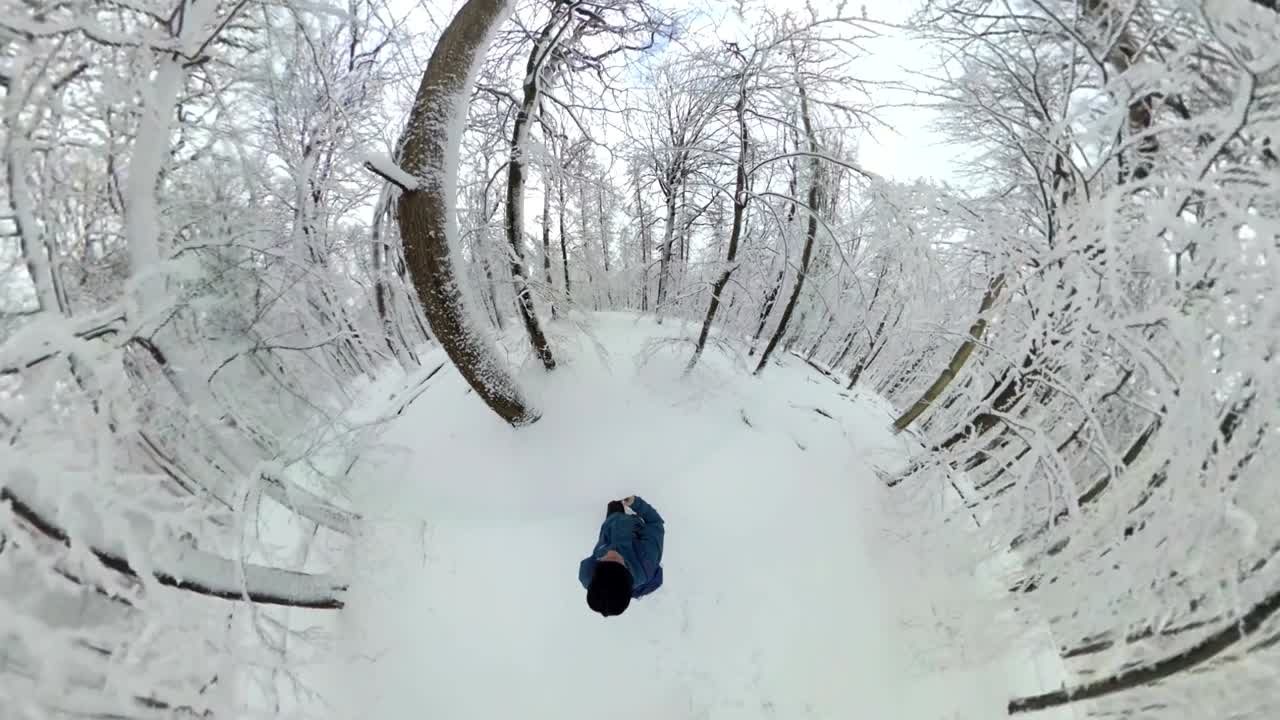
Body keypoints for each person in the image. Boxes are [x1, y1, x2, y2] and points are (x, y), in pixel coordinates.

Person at [578, 495, 664, 617]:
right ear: (628, 572)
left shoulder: (587, 574)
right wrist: (636, 504)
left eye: (603, 560)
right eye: (617, 560)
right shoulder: (647, 558)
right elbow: (655, 523)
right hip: (632, 525)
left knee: (612, 500)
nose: (611, 551)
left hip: (612, 524)